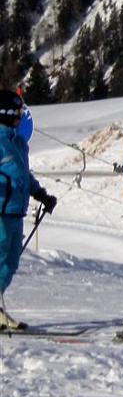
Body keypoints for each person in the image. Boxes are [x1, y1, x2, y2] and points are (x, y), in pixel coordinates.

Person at [0, 90, 57, 330]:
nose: (21, 116)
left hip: (16, 211)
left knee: (10, 262)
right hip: (1, 210)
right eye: (18, 112)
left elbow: (23, 173)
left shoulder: (19, 143)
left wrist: (40, 194)